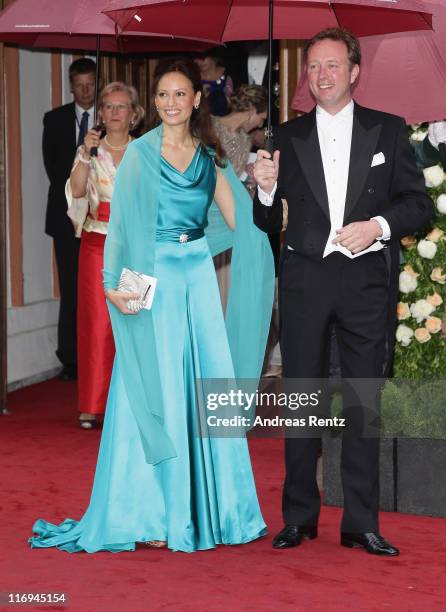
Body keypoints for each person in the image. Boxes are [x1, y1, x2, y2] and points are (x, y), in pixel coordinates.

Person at [30, 58, 274, 553]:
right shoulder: (140, 153)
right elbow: (123, 226)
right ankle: (151, 512)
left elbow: (239, 221)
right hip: (151, 275)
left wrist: (273, 207)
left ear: (197, 99)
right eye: (162, 95)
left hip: (198, 281)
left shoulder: (211, 155)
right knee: (149, 382)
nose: (170, 103)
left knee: (206, 386)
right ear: (155, 101)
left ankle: (218, 509)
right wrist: (115, 284)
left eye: (180, 94)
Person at [253, 28, 434, 556]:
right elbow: (269, 222)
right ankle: (299, 518)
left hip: (364, 282)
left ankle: (360, 522)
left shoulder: (388, 129)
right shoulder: (284, 137)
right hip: (306, 279)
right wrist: (265, 187)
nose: (322, 75)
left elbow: (417, 205)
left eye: (332, 66)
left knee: (362, 403)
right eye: (313, 67)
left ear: (355, 72)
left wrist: (377, 225)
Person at [65, 82, 144, 429]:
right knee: (98, 325)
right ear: (101, 113)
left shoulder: (146, 151)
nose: (114, 112)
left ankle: (135, 401)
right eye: (108, 106)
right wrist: (84, 153)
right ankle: (93, 403)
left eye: (121, 106)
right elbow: (78, 190)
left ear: (134, 114)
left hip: (137, 244)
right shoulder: (90, 151)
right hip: (98, 242)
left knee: (136, 321)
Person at [43, 57, 96, 381]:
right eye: (80, 85)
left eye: (91, 84)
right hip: (65, 218)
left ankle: (102, 354)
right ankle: (71, 359)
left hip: (102, 217)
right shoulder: (55, 119)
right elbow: (54, 170)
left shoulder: (109, 118)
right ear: (71, 86)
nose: (86, 91)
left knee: (100, 288)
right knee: (71, 288)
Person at [195, 49, 234, 116]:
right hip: (204, 119)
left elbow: (236, 103)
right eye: (197, 58)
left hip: (226, 118)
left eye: (204, 57)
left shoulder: (228, 72)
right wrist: (202, 98)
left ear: (213, 56)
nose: (201, 61)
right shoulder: (194, 77)